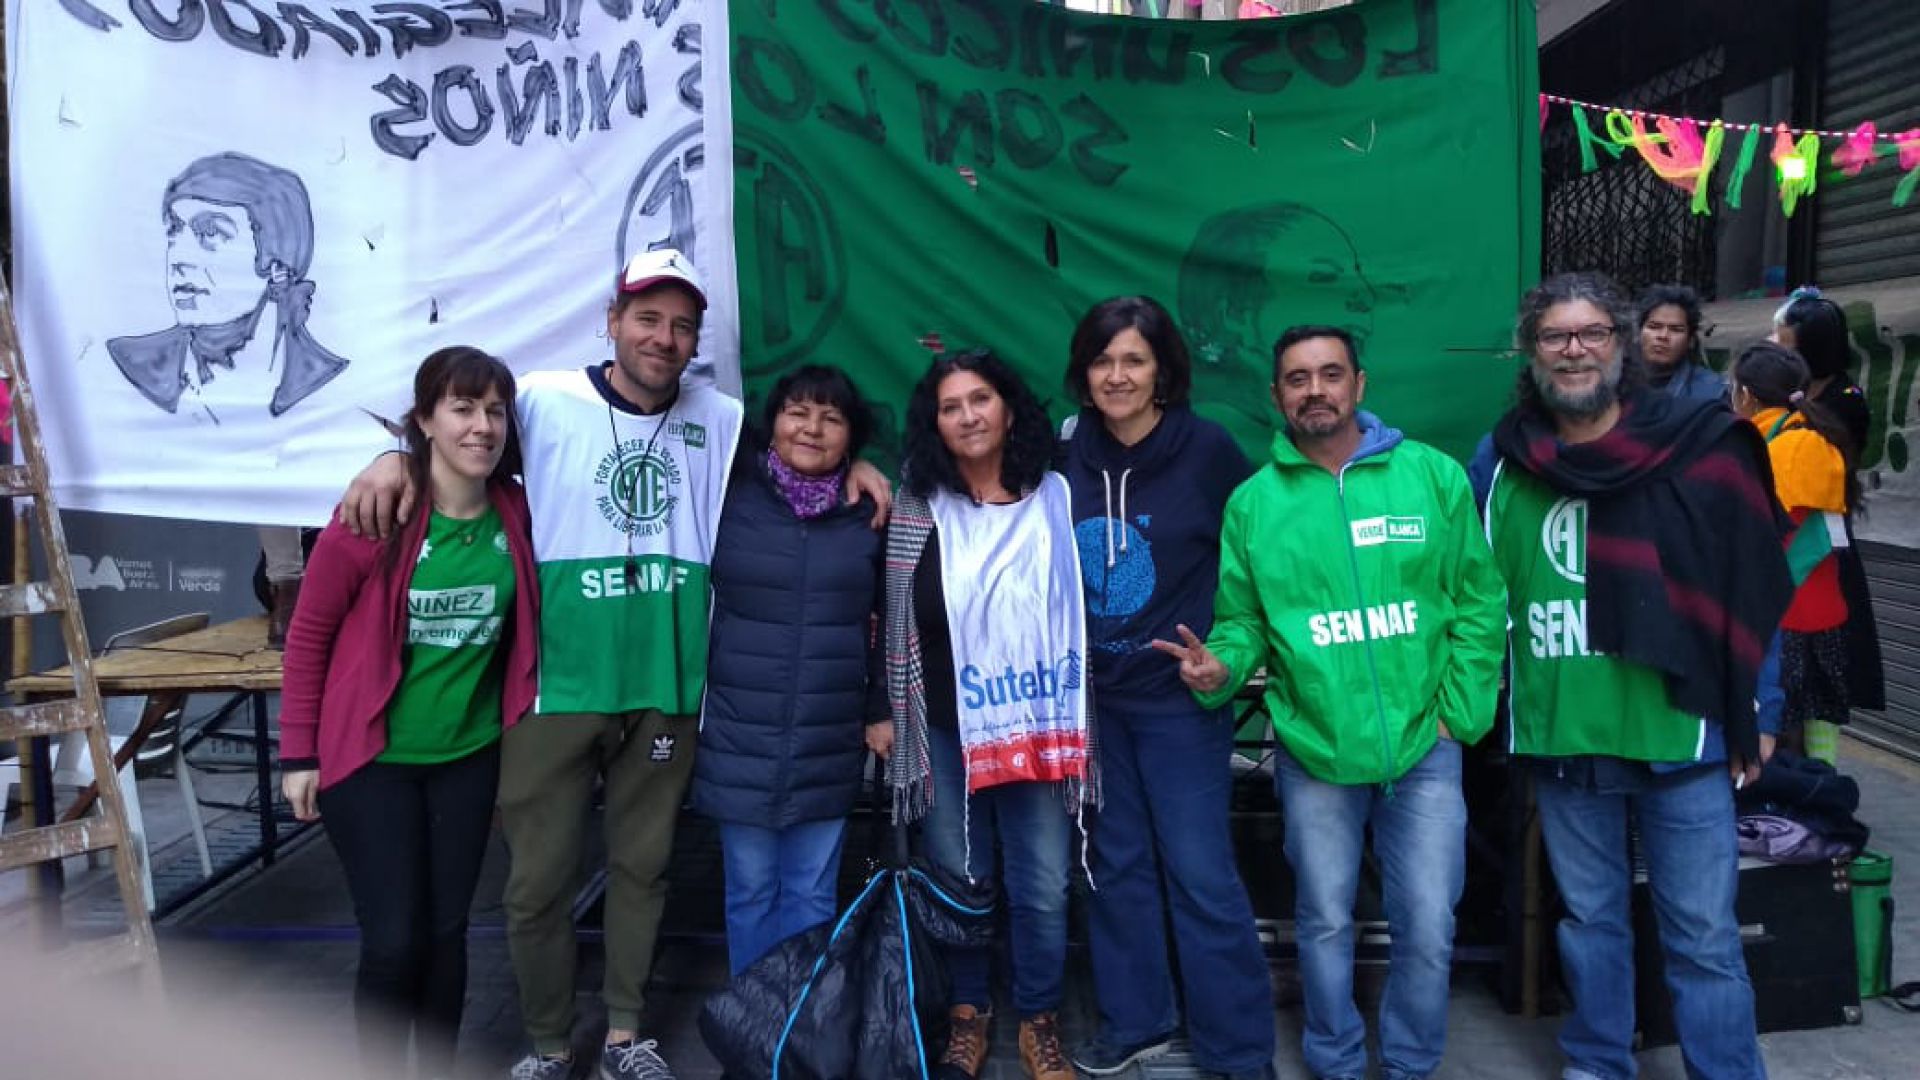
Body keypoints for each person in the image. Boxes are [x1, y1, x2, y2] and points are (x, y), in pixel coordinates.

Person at [341, 249, 888, 1080]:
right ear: (613, 320)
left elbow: (799, 469)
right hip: (557, 685)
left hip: (665, 690)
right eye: (647, 318)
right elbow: (462, 445)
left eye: (680, 325)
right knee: (537, 885)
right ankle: (550, 1045)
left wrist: (864, 467)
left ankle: (628, 1039)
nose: (663, 338)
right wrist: (395, 462)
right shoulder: (545, 400)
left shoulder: (723, 416)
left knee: (644, 869)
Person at [1156, 325, 1506, 1080]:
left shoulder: (1432, 477)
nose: (1315, 390)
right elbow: (1245, 620)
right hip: (1315, 750)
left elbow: (1479, 601)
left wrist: (1460, 716)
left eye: (1330, 374)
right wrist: (1222, 666)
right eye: (1297, 378)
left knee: (1428, 928)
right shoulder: (1254, 503)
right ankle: (1337, 1063)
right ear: (1276, 395)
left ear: (1360, 385)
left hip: (1426, 749)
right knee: (1321, 924)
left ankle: (1410, 1065)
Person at [1480, 272, 1793, 1080]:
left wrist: (1761, 705)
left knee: (1702, 936)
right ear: (1532, 352)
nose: (1574, 350)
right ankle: (1597, 1065)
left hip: (1680, 729)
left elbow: (1755, 581)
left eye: (1591, 333)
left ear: (1621, 346)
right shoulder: (1506, 459)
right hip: (1565, 730)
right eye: (1556, 336)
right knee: (1589, 922)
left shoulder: (1698, 443)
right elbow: (1473, 592)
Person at [279, 346, 538, 1079]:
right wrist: (298, 751)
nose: (481, 426)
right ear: (423, 420)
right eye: (461, 408)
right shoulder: (376, 513)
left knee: (448, 933)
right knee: (393, 939)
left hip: (467, 756)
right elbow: (309, 636)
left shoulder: (517, 510)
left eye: (493, 410)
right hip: (370, 763)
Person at [1052, 297, 1275, 1080]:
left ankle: (1239, 1050)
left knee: (1202, 872)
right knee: (1113, 867)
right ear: (1084, 373)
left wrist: (1231, 656)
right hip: (1094, 702)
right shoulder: (1063, 452)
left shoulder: (1207, 450)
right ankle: (1137, 1023)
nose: (1117, 375)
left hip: (1181, 701)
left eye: (1134, 360)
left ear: (1162, 372)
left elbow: (1258, 556)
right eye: (1103, 360)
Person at [883, 349, 1095, 1080]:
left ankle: (1039, 1017)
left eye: (981, 399)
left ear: (1009, 408)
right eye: (950, 406)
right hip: (945, 726)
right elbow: (886, 613)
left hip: (1039, 724)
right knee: (958, 876)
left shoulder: (1059, 493)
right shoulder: (917, 502)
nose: (968, 416)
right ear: (934, 424)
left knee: (1041, 880)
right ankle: (968, 1015)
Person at [690, 364, 889, 977]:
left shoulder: (869, 515)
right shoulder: (728, 493)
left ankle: (800, 1031)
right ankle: (753, 1027)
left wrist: (879, 707)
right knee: (750, 890)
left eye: (831, 418)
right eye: (798, 412)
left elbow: (891, 618)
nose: (812, 428)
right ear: (771, 423)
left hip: (827, 734)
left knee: (810, 894)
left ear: (851, 438)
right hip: (738, 729)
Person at [109, 151, 349, 422]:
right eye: (175, 231)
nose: (179, 258)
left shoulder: (322, 379)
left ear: (277, 264)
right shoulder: (137, 364)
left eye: (210, 233)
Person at [1730, 342, 1859, 765]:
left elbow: (1762, 538)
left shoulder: (1774, 447)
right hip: (1824, 610)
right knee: (1820, 724)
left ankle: (1787, 820)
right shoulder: (1816, 435)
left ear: (1746, 394)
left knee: (1778, 734)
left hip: (1783, 614)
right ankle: (1823, 802)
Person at [1772, 288, 1886, 721]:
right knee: (1785, 668)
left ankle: (1819, 777)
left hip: (1821, 536)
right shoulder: (1789, 390)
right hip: (1782, 530)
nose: (1778, 346)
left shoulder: (1846, 400)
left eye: (1785, 339)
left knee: (1826, 668)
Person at [1636, 284, 1725, 403]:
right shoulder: (1614, 383)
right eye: (1654, 327)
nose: (1663, 336)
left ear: (1691, 340)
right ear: (1639, 332)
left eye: (1675, 329)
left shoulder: (1714, 392)